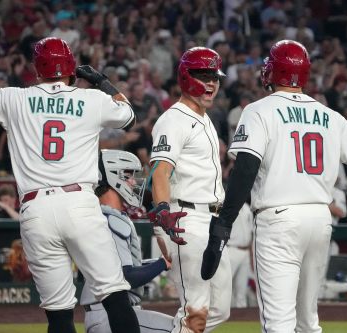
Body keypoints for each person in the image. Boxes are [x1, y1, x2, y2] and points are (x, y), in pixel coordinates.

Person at [0, 37, 140, 333]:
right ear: (70, 67)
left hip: (36, 209)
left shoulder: (12, 97)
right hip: (79, 204)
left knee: (59, 313)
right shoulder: (91, 99)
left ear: (35, 69)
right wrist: (100, 81)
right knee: (115, 296)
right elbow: (128, 116)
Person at [200, 40, 347, 333]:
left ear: (272, 71)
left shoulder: (259, 110)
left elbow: (245, 169)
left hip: (279, 219)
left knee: (278, 323)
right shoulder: (329, 115)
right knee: (308, 322)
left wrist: (224, 223)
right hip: (320, 219)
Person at [149, 47, 231, 332]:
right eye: (203, 75)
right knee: (195, 312)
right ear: (186, 76)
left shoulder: (206, 118)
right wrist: (161, 219)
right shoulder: (174, 119)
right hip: (187, 218)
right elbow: (160, 170)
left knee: (219, 309)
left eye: (215, 76)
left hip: (211, 221)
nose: (211, 83)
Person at [81, 149, 178, 333]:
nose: (133, 181)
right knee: (183, 329)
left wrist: (166, 263)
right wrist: (161, 264)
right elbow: (127, 277)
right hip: (112, 314)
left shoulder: (101, 216)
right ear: (110, 177)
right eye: (127, 175)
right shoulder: (110, 219)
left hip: (103, 313)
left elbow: (122, 270)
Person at [226, 202, 253, 308]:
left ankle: (241, 317)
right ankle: (225, 317)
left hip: (246, 250)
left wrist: (251, 256)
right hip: (231, 249)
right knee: (226, 286)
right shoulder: (226, 205)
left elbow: (251, 232)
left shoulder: (246, 207)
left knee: (242, 288)